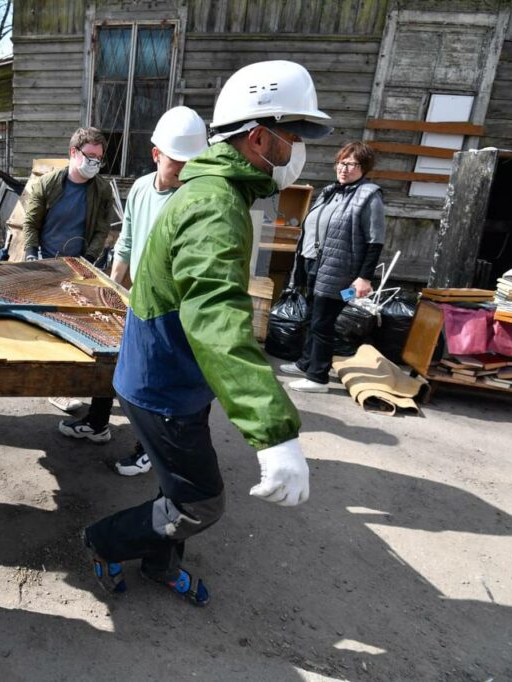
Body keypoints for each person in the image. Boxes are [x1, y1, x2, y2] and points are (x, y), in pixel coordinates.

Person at [83, 60, 327, 606]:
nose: (299, 150)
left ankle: (160, 563)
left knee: (179, 486)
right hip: (163, 385)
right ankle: (102, 540)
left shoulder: (219, 193)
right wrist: (274, 432)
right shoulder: (215, 206)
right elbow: (216, 318)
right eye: (294, 136)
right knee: (201, 503)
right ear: (259, 136)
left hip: (175, 377)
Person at [57, 107, 209, 475]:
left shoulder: (196, 198)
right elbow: (125, 244)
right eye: (177, 162)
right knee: (115, 363)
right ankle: (97, 422)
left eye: (193, 162)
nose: (186, 170)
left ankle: (148, 449)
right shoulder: (141, 189)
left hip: (170, 307)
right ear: (157, 155)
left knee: (155, 383)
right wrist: (109, 290)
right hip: (136, 298)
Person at [20, 126, 115, 415]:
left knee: (77, 327)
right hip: (46, 264)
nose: (95, 163)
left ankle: (68, 384)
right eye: (90, 156)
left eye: (99, 158)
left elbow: (101, 229)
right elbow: (31, 224)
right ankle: (55, 387)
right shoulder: (47, 184)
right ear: (73, 153)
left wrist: (87, 259)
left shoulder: (101, 189)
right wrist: (31, 254)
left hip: (78, 268)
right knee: (48, 329)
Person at [280, 141, 385, 393]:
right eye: (341, 162)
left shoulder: (369, 195)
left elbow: (375, 239)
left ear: (364, 167)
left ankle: (318, 377)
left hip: (339, 271)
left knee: (322, 322)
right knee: (313, 316)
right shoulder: (330, 191)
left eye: (351, 164)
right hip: (312, 263)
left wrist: (364, 278)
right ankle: (307, 362)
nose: (344, 168)